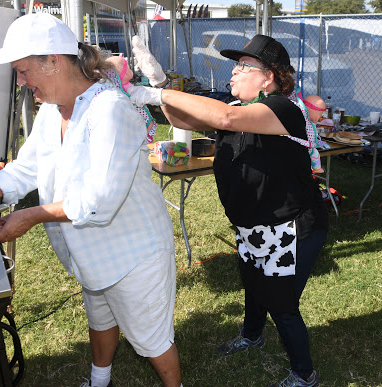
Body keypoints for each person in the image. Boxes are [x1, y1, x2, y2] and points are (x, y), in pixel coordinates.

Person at [0, 13, 182, 387]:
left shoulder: (109, 110)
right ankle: (99, 380)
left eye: (24, 72)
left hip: (134, 255)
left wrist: (33, 216)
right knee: (101, 317)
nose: (22, 83)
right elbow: (27, 169)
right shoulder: (50, 111)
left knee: (151, 339)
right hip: (91, 250)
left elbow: (98, 200)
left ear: (54, 61)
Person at [129, 34, 328, 387]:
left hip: (291, 226)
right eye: (235, 65)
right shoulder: (236, 107)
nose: (233, 72)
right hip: (254, 224)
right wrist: (159, 83)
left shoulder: (285, 108)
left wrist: (161, 94)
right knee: (253, 284)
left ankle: (304, 374)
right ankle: (252, 335)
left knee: (282, 307)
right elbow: (185, 121)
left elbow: (223, 119)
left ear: (269, 77)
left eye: (243, 66)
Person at [302, 94, 327, 173]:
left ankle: (315, 169)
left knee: (314, 154)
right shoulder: (303, 120)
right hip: (305, 147)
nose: (320, 118)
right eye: (319, 114)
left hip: (308, 147)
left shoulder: (309, 122)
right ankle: (316, 168)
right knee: (315, 154)